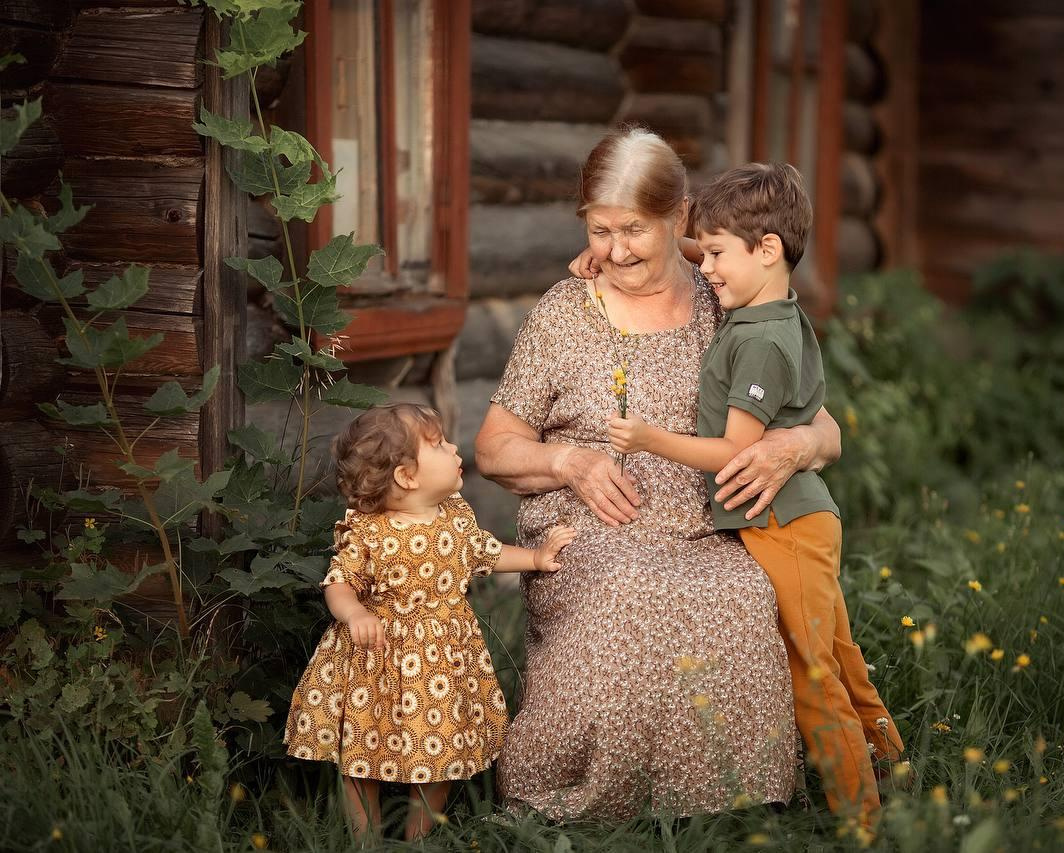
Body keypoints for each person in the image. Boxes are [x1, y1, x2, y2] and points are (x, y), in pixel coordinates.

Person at [475, 126, 844, 820]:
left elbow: (826, 426)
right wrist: (567, 459)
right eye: (599, 229)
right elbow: (494, 446)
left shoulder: (729, 295)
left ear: (681, 219)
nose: (614, 251)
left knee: (740, 594)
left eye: (634, 230)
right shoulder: (565, 313)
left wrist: (793, 447)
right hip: (593, 533)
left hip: (710, 529)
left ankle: (735, 799)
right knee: (628, 592)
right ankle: (569, 795)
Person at [607, 163, 904, 821]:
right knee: (840, 653)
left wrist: (650, 438)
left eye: (715, 254)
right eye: (702, 250)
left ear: (767, 249)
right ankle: (894, 765)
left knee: (812, 671)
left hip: (785, 528)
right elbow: (710, 248)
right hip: (799, 521)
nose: (705, 267)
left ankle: (863, 818)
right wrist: (630, 245)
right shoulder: (767, 304)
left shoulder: (761, 341)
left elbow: (736, 451)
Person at [283, 404, 575, 841]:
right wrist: (355, 613)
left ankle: (419, 838)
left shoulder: (455, 517)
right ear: (406, 476)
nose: (454, 447)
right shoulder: (369, 532)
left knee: (443, 748)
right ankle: (365, 837)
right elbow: (340, 583)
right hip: (376, 661)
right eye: (438, 444)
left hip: (443, 661)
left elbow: (485, 552)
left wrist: (533, 558)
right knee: (362, 751)